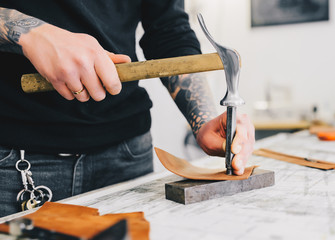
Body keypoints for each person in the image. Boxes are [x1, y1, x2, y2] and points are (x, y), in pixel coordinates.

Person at [0, 0, 255, 217]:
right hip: (14, 161)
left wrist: (205, 118)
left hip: (128, 156)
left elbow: (169, 31)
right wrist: (32, 33)